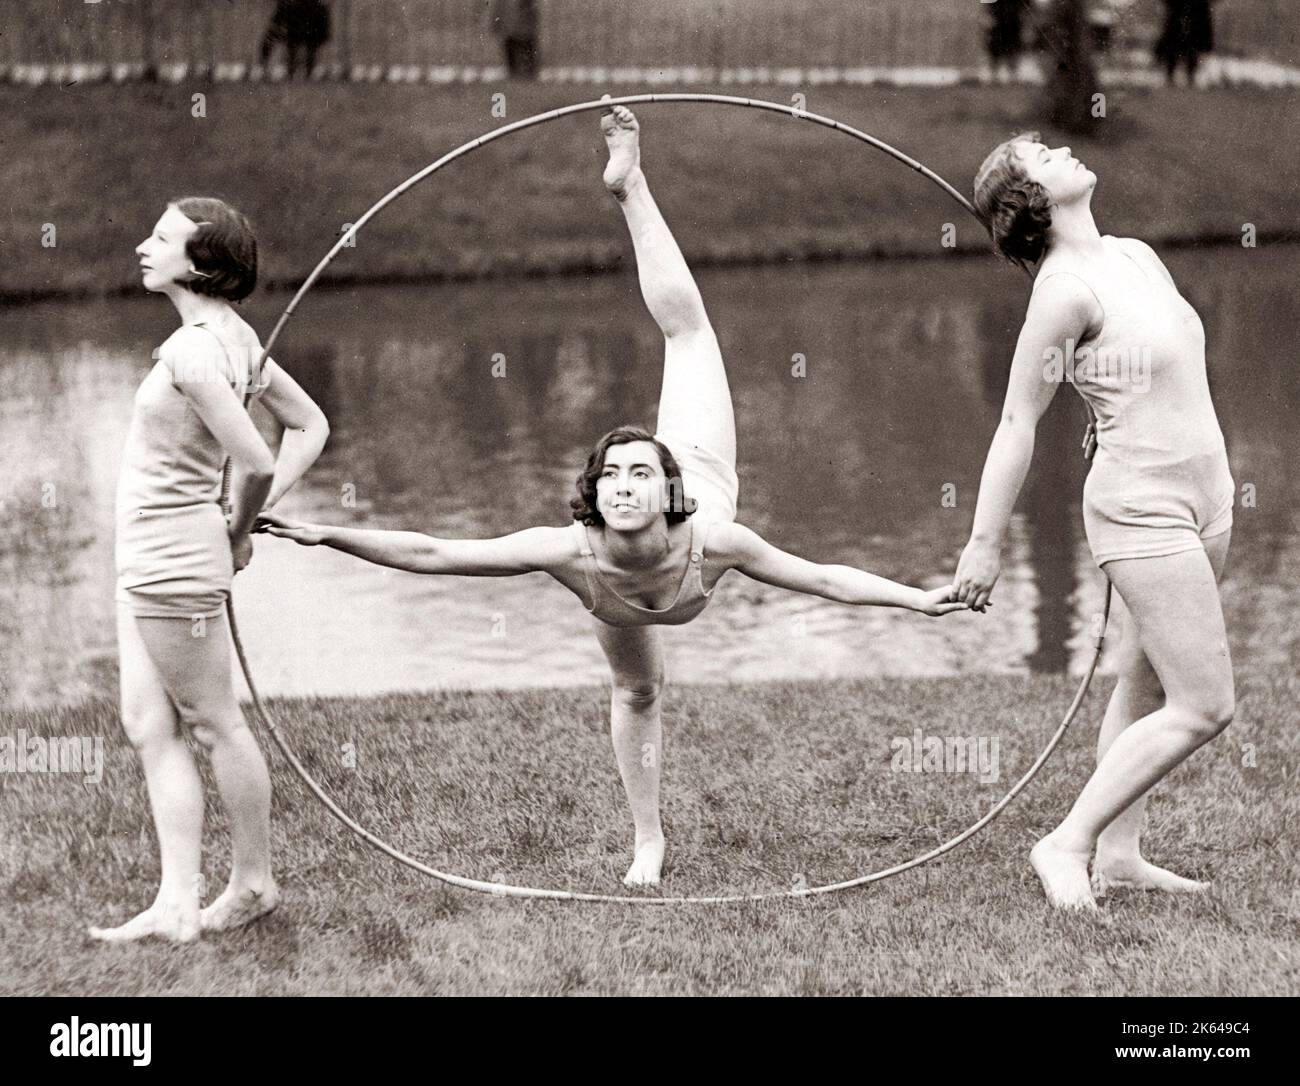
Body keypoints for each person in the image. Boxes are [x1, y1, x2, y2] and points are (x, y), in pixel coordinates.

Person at [259, 105, 970, 888]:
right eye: (612, 477)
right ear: (592, 499)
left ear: (666, 494)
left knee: (689, 334)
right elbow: (434, 553)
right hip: (620, 602)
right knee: (637, 689)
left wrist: (918, 600)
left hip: (700, 458)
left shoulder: (715, 538)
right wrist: (327, 533)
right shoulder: (571, 552)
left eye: (639, 474)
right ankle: (648, 843)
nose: (626, 485)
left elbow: (829, 579)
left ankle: (630, 185)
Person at [963, 133, 1235, 910]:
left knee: (1144, 685)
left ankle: (1117, 855)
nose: (1064, 147)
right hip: (1140, 509)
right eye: (1041, 154)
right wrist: (984, 543)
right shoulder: (1061, 293)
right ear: (1031, 201)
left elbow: (1154, 366)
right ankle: (1067, 843)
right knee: (1206, 704)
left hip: (1207, 495)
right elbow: (1017, 420)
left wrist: (1104, 396)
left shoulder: (1136, 255)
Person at [90, 197, 330, 943]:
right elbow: (310, 424)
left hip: (174, 560)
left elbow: (258, 457)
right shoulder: (230, 340)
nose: (142, 245)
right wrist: (241, 518)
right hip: (152, 557)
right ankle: (175, 902)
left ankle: (253, 883)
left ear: (199, 263)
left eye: (159, 238)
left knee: (214, 722)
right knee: (146, 721)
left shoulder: (193, 354)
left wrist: (237, 525)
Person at [259, 0, 332, 80]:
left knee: (310, 43)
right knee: (287, 40)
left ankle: (307, 69)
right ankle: (266, 67)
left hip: (308, 15)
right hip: (294, 15)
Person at [1154, 0, 1215, 87]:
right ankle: (1177, 77)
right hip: (1185, 17)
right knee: (1178, 48)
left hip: (1187, 17)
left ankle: (1181, 77)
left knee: (1186, 48)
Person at [486, 0, 540, 79]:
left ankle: (527, 71)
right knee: (514, 39)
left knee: (523, 39)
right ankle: (516, 70)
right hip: (514, 24)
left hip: (520, 24)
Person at [985, 0, 1027, 84]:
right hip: (998, 20)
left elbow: (1026, 6)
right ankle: (994, 75)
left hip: (1014, 20)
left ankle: (1013, 74)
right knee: (996, 48)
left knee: (1012, 47)